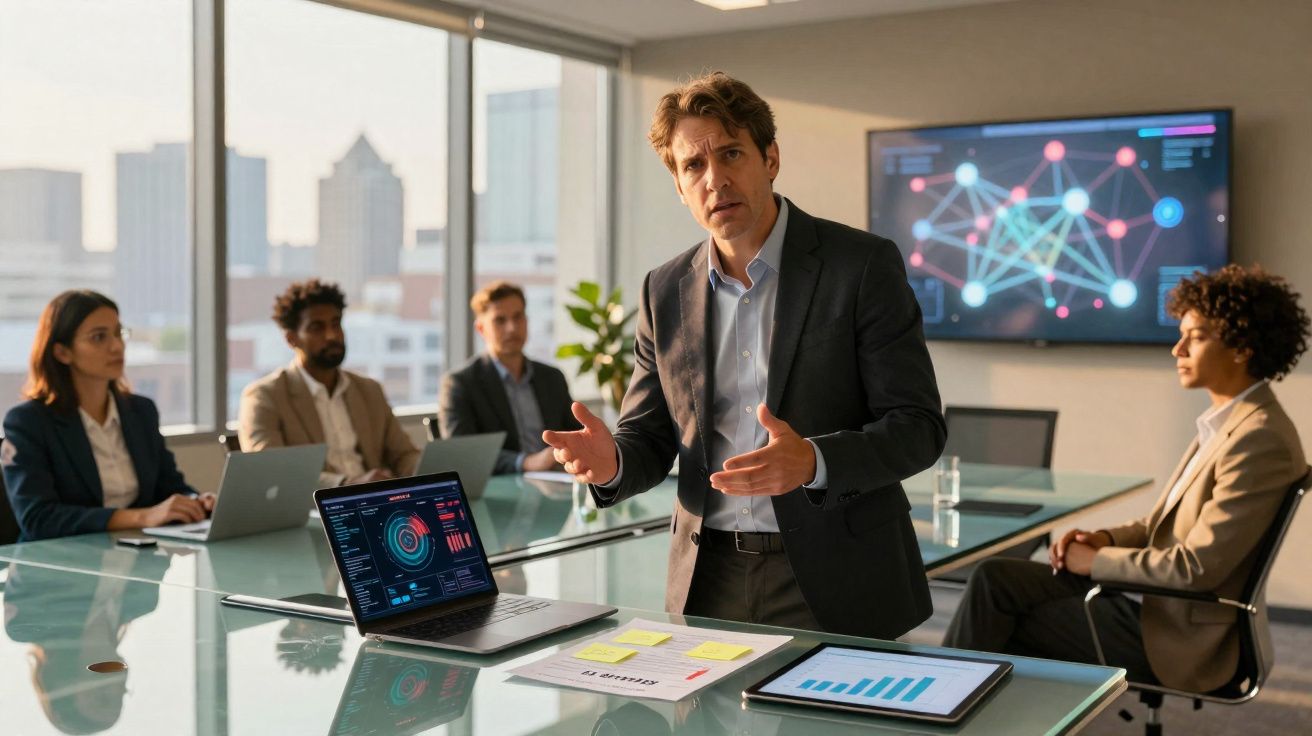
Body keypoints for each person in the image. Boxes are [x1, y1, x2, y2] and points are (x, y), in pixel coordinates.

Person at [543, 72, 945, 638]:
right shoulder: (663, 290)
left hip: (840, 573)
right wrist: (611, 464)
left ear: (771, 158)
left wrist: (812, 461)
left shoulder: (861, 266)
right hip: (708, 577)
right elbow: (652, 439)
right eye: (693, 166)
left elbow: (918, 428)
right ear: (678, 187)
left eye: (732, 153)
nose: (716, 179)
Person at [943, 264, 1309, 693]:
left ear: (1242, 347)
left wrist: (1093, 563)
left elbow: (1197, 568)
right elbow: (1159, 529)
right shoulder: (1228, 423)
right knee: (995, 578)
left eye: (1196, 337)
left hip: (1181, 639)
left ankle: (940, 706)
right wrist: (1104, 540)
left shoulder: (1259, 439)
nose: (1178, 350)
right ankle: (948, 701)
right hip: (1155, 607)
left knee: (1002, 618)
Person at [1, 290, 213, 541]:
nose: (116, 346)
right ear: (62, 353)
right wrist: (142, 516)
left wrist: (196, 502)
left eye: (118, 333)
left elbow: (168, 488)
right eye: (99, 337)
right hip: (59, 568)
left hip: (137, 560)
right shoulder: (29, 422)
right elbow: (38, 518)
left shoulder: (141, 412)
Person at [238, 279, 419, 487]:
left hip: (374, 505)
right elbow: (273, 473)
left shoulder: (369, 390)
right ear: (291, 339)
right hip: (314, 511)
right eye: (317, 328)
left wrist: (427, 472)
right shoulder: (264, 397)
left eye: (336, 324)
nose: (332, 335)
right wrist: (348, 483)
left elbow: (404, 455)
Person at [438, 281, 581, 474]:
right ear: (481, 329)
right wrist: (527, 462)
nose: (512, 328)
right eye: (500, 320)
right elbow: (464, 453)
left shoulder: (552, 378)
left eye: (518, 317)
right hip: (499, 493)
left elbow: (575, 434)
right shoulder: (460, 383)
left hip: (558, 483)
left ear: (527, 320)